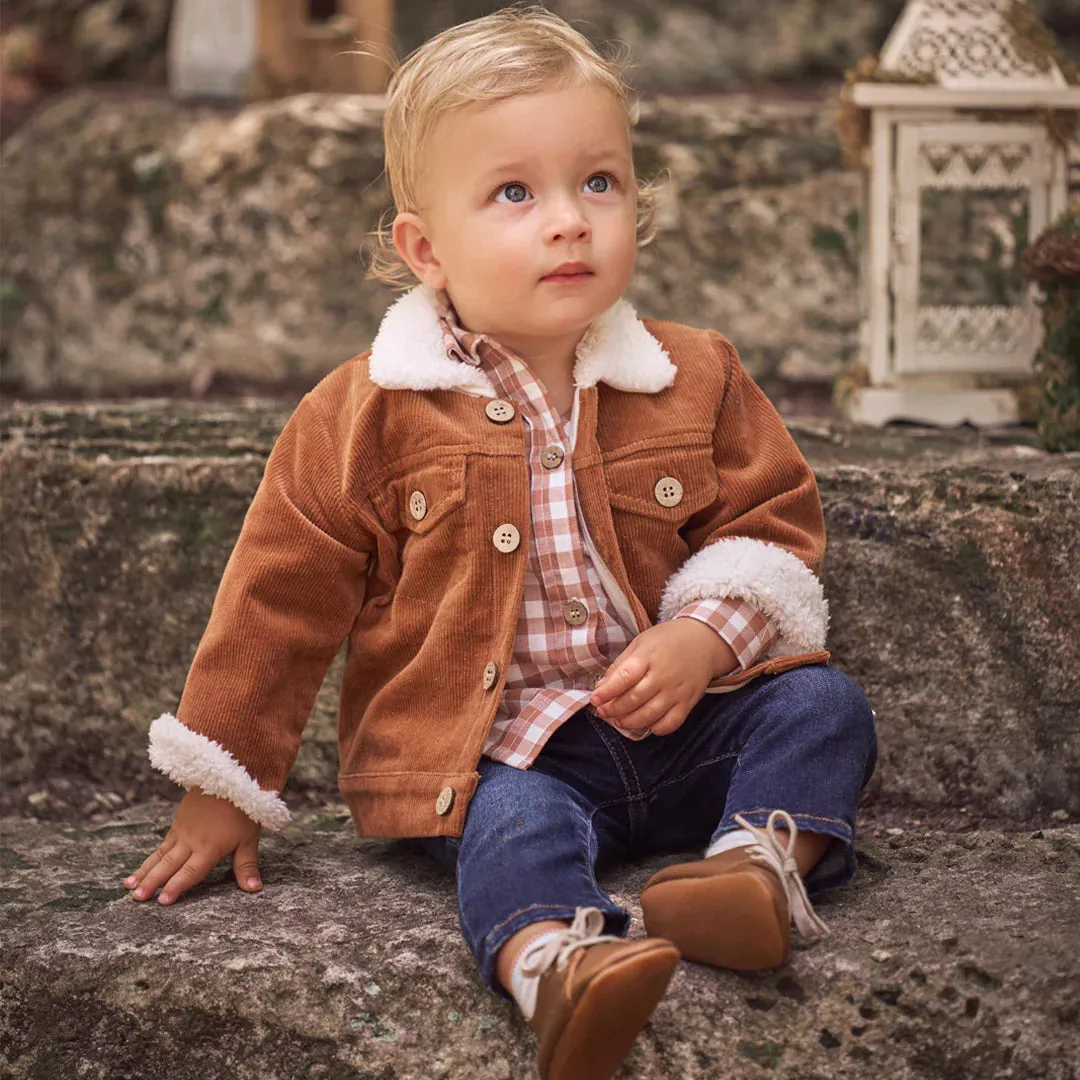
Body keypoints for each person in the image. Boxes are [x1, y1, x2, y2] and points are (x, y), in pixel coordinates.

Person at [122, 7, 878, 1079]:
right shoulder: (366, 415)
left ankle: (755, 870)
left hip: (673, 726)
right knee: (509, 823)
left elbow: (771, 523)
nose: (569, 221)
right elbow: (278, 599)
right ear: (425, 248)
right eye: (515, 193)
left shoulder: (695, 371)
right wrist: (224, 780)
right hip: (497, 753)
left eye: (599, 183)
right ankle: (554, 965)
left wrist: (707, 640)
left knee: (824, 706)